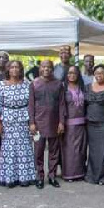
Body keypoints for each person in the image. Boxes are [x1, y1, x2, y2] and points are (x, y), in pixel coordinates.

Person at [0, 61, 37, 188]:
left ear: (21, 69)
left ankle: (26, 177)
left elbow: (31, 105)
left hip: (23, 119)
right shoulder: (1, 85)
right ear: (8, 70)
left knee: (25, 148)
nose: (14, 69)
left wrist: (32, 122)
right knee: (9, 149)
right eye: (12, 67)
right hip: (7, 119)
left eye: (17, 67)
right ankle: (9, 178)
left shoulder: (27, 84)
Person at [29, 60, 65, 188]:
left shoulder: (58, 84)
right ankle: (39, 177)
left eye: (49, 67)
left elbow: (62, 104)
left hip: (54, 123)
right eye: (44, 67)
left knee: (54, 152)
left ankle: (52, 176)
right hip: (38, 124)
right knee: (38, 151)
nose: (46, 69)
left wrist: (61, 122)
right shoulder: (34, 84)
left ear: (52, 69)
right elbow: (31, 105)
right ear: (40, 68)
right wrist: (32, 122)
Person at [61, 66, 87, 182]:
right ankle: (69, 174)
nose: (72, 75)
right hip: (68, 125)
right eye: (70, 73)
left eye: (74, 73)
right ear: (66, 75)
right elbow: (60, 107)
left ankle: (80, 173)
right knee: (69, 151)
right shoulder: (63, 88)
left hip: (82, 124)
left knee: (81, 150)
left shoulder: (82, 88)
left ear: (78, 75)